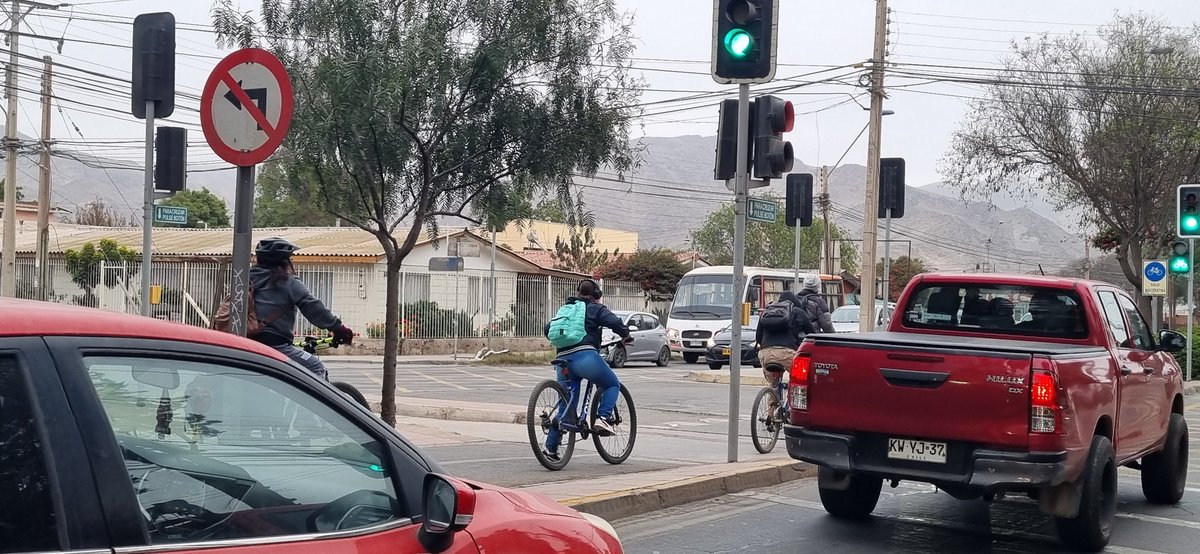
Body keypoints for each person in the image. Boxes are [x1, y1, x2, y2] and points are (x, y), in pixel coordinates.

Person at [542, 279, 632, 461]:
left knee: (566, 403)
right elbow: (615, 322)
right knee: (612, 384)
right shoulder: (595, 308)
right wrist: (626, 335)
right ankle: (603, 418)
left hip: (562, 359)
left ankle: (550, 449)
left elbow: (548, 329)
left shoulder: (566, 309)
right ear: (597, 295)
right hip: (585, 357)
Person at [249, 237, 355, 380]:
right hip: (274, 345)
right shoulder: (287, 281)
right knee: (315, 366)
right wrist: (338, 328)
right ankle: (315, 403)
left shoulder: (245, 278)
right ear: (284, 261)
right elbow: (311, 305)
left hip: (246, 343)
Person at [755, 290, 815, 386]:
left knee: (773, 385)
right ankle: (793, 396)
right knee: (800, 381)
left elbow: (758, 337)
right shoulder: (797, 311)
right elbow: (812, 333)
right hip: (787, 353)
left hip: (766, 354)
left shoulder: (767, 311)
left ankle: (772, 396)